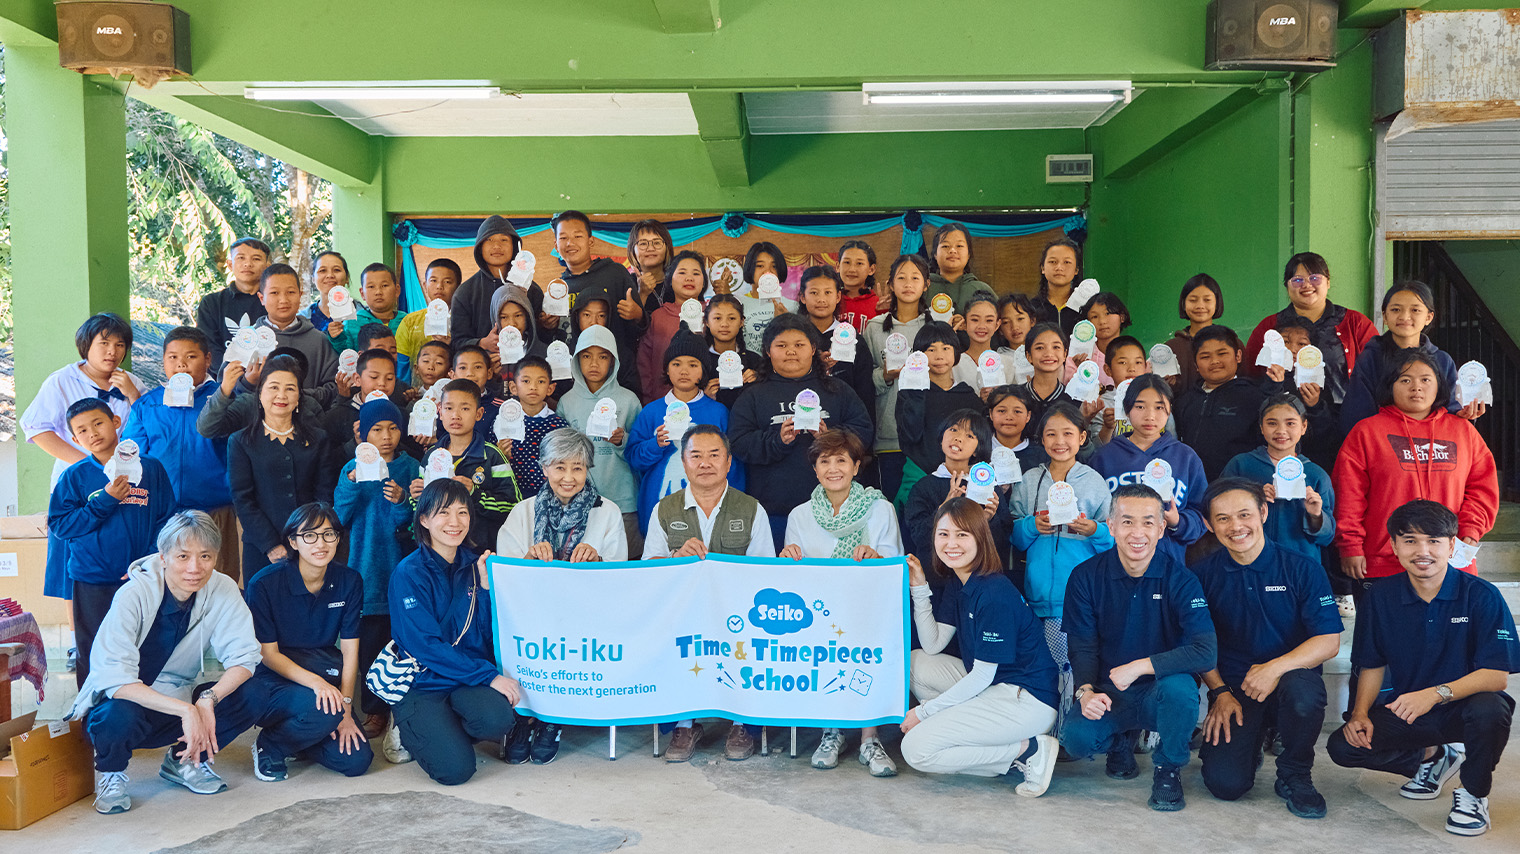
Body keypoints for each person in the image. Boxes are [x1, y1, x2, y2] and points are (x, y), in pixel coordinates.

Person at [1327, 500, 1519, 837]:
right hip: (1409, 711)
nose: (1422, 550)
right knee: (1343, 746)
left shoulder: (1481, 595)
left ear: (1451, 545)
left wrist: (1434, 695)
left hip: (1464, 709)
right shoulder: (1381, 597)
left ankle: (1473, 794)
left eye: (1433, 540)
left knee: (1491, 708)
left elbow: (1496, 674)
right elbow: (1372, 662)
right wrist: (1359, 714)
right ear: (1394, 546)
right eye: (1410, 540)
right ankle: (1433, 756)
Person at [72, 512, 264, 815]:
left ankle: (184, 760)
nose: (194, 568)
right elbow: (113, 678)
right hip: (124, 703)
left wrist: (207, 700)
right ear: (163, 557)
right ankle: (111, 774)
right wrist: (187, 710)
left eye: (205, 556)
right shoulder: (133, 594)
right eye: (183, 556)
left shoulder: (222, 588)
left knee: (254, 690)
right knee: (116, 715)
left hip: (177, 695)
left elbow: (245, 658)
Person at [1060, 484, 1218, 812]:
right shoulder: (1085, 577)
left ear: (1161, 528)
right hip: (1109, 691)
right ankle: (1120, 742)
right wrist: (1085, 691)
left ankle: (1167, 769)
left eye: (1148, 522)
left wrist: (1141, 666)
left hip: (1159, 691)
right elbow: (1082, 645)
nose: (1138, 532)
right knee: (1075, 738)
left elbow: (1205, 651)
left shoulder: (1181, 579)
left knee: (1180, 689)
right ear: (1111, 525)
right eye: (1127, 521)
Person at [1191, 478, 1341, 818]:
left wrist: (1274, 668)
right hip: (1236, 688)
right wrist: (1219, 692)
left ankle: (1295, 772)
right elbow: (1198, 642)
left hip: (1291, 679)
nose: (1235, 526)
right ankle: (1251, 743)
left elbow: (1329, 641)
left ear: (1263, 512)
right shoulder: (1201, 576)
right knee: (1225, 785)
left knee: (1304, 695)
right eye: (1223, 518)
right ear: (1210, 525)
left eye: (1244, 514)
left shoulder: (1302, 567)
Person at [899, 498, 1060, 795]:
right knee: (914, 663)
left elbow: (982, 676)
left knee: (916, 749)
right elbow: (933, 645)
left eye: (962, 535)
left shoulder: (993, 592)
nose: (951, 543)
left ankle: (1028, 750)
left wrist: (925, 712)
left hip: (1026, 700)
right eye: (944, 534)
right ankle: (994, 748)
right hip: (994, 688)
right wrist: (919, 588)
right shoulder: (959, 582)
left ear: (980, 538)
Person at [642, 425, 775, 762]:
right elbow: (646, 570)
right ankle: (685, 724)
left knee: (751, 639)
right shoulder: (665, 509)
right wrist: (674, 557)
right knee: (678, 638)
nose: (705, 463)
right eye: (696, 455)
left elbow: (767, 573)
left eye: (714, 455)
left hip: (739, 613)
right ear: (683, 463)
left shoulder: (750, 508)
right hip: (682, 612)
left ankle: (742, 721)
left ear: (728, 462)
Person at [497, 428, 627, 765]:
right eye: (559, 467)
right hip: (531, 616)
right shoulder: (523, 512)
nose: (568, 477)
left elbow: (622, 576)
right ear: (543, 468)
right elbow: (504, 576)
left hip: (587, 617)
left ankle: (552, 719)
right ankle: (525, 718)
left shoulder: (607, 511)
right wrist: (526, 560)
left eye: (578, 468)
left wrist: (597, 560)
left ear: (588, 470)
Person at [779, 428, 903, 777]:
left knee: (867, 663)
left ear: (856, 466)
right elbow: (793, 574)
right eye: (824, 461)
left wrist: (875, 557)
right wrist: (788, 557)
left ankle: (869, 738)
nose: (833, 468)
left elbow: (896, 566)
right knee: (825, 663)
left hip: (868, 608)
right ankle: (831, 731)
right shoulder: (800, 515)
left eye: (841, 460)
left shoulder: (881, 510)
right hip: (819, 613)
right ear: (815, 469)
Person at [388, 480, 521, 785]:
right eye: (444, 513)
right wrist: (489, 676)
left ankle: (442, 727)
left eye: (463, 512)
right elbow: (425, 646)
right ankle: (408, 724)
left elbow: (486, 636)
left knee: (499, 719)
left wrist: (485, 589)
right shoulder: (409, 573)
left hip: (462, 677)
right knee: (455, 771)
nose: (454, 522)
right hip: (422, 680)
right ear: (424, 519)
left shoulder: (476, 566)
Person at [1333, 349, 1498, 584]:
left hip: (1452, 561)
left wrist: (1470, 532)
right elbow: (1348, 494)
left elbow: (1483, 489)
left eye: (1425, 380)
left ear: (1440, 385)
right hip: (1384, 563)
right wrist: (1350, 545)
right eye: (1405, 380)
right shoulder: (1366, 432)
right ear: (1390, 385)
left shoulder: (1463, 432)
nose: (1416, 387)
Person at [50, 399, 175, 687]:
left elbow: (166, 519)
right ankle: (91, 721)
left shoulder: (151, 469)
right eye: (82, 430)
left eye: (98, 423)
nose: (92, 433)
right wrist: (105, 500)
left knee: (143, 647)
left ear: (116, 422)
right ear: (74, 439)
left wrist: (145, 563)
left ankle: (140, 718)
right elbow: (61, 525)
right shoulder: (75, 476)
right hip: (92, 581)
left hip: (141, 578)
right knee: (93, 649)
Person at [244, 504, 373, 781]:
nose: (321, 543)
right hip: (273, 679)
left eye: (329, 534)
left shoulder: (349, 581)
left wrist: (347, 708)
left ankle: (302, 736)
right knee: (326, 710)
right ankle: (272, 745)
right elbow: (268, 654)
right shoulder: (264, 584)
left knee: (356, 761)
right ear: (293, 541)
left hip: (323, 673)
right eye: (310, 536)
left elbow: (351, 650)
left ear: (338, 538)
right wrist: (319, 686)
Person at [1009, 402, 1113, 728]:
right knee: (1041, 665)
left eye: (1068, 433)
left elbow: (1111, 540)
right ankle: (1042, 727)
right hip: (1037, 592)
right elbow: (1013, 534)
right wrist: (1031, 526)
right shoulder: (1028, 480)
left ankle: (1064, 731)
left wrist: (1093, 530)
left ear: (1083, 437)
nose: (1059, 441)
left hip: (1076, 595)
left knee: (1067, 665)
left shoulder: (1095, 481)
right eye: (1051, 433)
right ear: (1041, 438)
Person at [730, 313, 874, 545]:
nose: (791, 351)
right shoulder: (753, 395)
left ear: (813, 348)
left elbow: (864, 432)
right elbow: (738, 442)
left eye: (799, 345)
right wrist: (777, 440)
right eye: (781, 345)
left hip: (834, 510)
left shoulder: (838, 390)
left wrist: (830, 439)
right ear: (768, 350)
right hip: (773, 511)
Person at [122, 326, 241, 582]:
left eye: (191, 356)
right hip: (162, 513)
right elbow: (132, 457)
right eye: (173, 357)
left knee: (219, 582)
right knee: (167, 585)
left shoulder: (227, 398)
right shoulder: (148, 404)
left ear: (208, 359)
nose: (181, 365)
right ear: (163, 361)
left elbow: (240, 451)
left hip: (216, 509)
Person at [333, 399, 420, 737]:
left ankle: (405, 706)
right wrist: (352, 482)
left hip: (401, 570)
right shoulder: (351, 468)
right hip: (365, 571)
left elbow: (416, 522)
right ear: (363, 434)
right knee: (368, 645)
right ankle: (373, 709)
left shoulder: (411, 467)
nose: (386, 437)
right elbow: (340, 516)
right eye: (377, 430)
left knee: (401, 641)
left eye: (393, 428)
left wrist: (401, 501)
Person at [226, 355, 339, 575]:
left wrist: (310, 538)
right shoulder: (241, 442)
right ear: (260, 394)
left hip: (311, 546)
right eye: (273, 387)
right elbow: (242, 499)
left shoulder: (318, 439)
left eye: (290, 389)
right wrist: (270, 544)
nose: (281, 395)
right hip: (261, 548)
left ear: (299, 397)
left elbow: (324, 495)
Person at [1088, 375, 1209, 566]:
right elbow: (1091, 515)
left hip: (1168, 567)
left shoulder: (1186, 457)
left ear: (1169, 410)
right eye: (1140, 406)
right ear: (1127, 410)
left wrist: (1178, 522)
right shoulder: (1104, 457)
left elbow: (1202, 515)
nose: (1150, 415)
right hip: (1114, 566)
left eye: (1159, 407)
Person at [628, 333, 740, 535]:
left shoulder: (718, 412)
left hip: (711, 509)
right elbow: (634, 459)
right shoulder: (651, 412)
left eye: (693, 364)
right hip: (659, 506)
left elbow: (733, 463)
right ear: (667, 370)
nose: (684, 371)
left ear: (703, 371)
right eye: (676, 364)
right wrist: (655, 444)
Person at [1340, 280, 1481, 434]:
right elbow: (1356, 415)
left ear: (1429, 317)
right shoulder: (1371, 358)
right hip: (1382, 447)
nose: (1404, 316)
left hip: (1431, 448)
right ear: (1385, 316)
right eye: (1395, 309)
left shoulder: (1442, 361)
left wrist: (1462, 415)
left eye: (1415, 310)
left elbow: (1451, 410)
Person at [1243, 252, 1377, 408]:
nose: (1306, 285)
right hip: (1283, 421)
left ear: (1328, 282)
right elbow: (1250, 374)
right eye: (1297, 280)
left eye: (1315, 278)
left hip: (1344, 417)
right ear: (1287, 286)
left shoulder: (1355, 323)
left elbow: (1376, 372)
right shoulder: (1269, 326)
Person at [1219, 395, 1336, 568]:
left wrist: (1316, 515)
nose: (1281, 430)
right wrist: (1251, 498)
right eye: (1272, 423)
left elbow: (1327, 536)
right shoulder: (1241, 465)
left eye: (1290, 423)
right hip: (1246, 561)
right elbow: (1217, 508)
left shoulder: (1315, 474)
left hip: (1299, 566)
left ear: (1304, 427)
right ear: (1261, 428)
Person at [559, 325, 644, 555]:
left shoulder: (628, 400)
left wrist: (621, 440)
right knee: (584, 563)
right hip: (577, 502)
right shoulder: (567, 402)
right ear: (576, 360)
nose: (594, 363)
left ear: (614, 361)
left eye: (603, 356)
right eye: (586, 356)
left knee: (623, 564)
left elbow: (640, 450)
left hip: (623, 499)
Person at [902, 410, 1010, 568]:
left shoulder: (987, 486)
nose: (959, 438)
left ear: (977, 449)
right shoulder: (923, 486)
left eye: (970, 436)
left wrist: (987, 521)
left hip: (977, 575)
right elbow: (917, 537)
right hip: (936, 576)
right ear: (941, 438)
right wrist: (943, 509)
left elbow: (1003, 541)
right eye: (953, 429)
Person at [863, 254, 931, 502]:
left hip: (928, 433)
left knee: (923, 506)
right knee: (890, 507)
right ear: (890, 284)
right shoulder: (874, 327)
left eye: (915, 278)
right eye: (901, 278)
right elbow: (863, 381)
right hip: (889, 433)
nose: (908, 284)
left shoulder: (935, 325)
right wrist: (884, 375)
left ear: (926, 284)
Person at [896, 321, 984, 504]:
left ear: (956, 353)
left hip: (961, 481)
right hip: (918, 477)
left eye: (946, 348)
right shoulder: (909, 393)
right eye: (931, 349)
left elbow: (980, 444)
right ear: (919, 355)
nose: (939, 356)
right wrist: (916, 393)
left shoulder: (968, 397)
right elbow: (909, 437)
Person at [428, 379, 520, 549]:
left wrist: (474, 493)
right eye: (449, 408)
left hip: (480, 549)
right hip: (438, 548)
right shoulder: (432, 455)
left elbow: (513, 505)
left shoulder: (491, 455)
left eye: (465, 408)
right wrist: (416, 497)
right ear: (440, 412)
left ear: (479, 414)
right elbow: (423, 509)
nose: (455, 415)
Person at [1174, 325, 1265, 481]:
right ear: (1195, 365)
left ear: (1238, 356)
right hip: (1193, 489)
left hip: (1240, 487)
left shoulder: (1255, 397)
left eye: (1222, 353)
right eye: (1205, 356)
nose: (1214, 361)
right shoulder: (1184, 401)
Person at [798, 264, 876, 417]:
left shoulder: (853, 339)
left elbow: (865, 391)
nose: (821, 299)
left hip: (844, 423)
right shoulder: (794, 338)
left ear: (838, 296)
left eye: (828, 292)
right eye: (814, 292)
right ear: (802, 297)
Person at [636, 250, 709, 404]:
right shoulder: (658, 317)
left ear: (704, 282)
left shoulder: (712, 315)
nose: (689, 278)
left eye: (696, 273)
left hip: (705, 402)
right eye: (682, 272)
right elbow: (645, 365)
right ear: (670, 279)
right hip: (663, 403)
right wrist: (649, 401)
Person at [254, 263, 340, 385]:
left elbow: (334, 385)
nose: (283, 300)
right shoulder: (248, 339)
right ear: (261, 298)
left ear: (300, 295)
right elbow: (230, 386)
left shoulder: (318, 340)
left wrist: (305, 397)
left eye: (290, 292)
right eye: (274, 293)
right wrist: (247, 382)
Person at [452, 215, 526, 348]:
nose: (497, 246)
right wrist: (481, 344)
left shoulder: (529, 287)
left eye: (504, 240)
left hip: (524, 365)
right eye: (489, 240)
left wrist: (548, 324)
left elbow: (541, 336)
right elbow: (457, 342)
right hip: (480, 366)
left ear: (515, 246)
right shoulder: (465, 292)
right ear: (480, 246)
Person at [195, 236, 270, 365]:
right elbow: (209, 347)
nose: (248, 264)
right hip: (223, 379)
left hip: (267, 377)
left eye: (256, 259)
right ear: (230, 264)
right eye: (241, 258)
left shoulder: (274, 302)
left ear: (267, 266)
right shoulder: (211, 303)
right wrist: (230, 376)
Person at [502, 356, 570, 495]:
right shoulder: (501, 423)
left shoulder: (559, 425)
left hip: (549, 498)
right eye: (526, 381)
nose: (533, 387)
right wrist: (501, 455)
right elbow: (492, 461)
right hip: (510, 497)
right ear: (513, 387)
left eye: (541, 381)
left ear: (550, 388)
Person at [396, 258, 461, 375]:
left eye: (447, 282)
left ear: (458, 287)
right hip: (415, 390)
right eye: (433, 280)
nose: (439, 286)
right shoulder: (410, 321)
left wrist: (453, 345)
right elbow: (402, 362)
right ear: (425, 285)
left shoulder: (464, 320)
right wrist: (405, 390)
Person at [733, 241, 797, 352]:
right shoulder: (737, 303)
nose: (768, 271)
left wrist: (784, 321)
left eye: (774, 266)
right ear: (750, 268)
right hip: (747, 366)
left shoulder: (792, 306)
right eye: (760, 266)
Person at [1163, 274, 1222, 392]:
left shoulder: (1230, 343)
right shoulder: (1170, 348)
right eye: (1193, 300)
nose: (1200, 306)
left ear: (1217, 303)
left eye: (1207, 300)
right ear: (1184, 304)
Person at [702, 294, 764, 408]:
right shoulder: (699, 362)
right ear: (706, 322)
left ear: (741, 322)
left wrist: (759, 380)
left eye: (732, 318)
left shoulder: (754, 361)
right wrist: (703, 397)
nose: (724, 324)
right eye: (717, 318)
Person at [925, 223, 994, 317]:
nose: (952, 250)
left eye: (959, 246)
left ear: (969, 254)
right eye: (945, 246)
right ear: (935, 254)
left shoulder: (981, 289)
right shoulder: (923, 288)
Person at [1067, 291, 1131, 387]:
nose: (1102, 321)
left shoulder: (1133, 353)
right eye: (1095, 316)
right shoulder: (1079, 355)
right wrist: (1082, 371)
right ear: (1087, 322)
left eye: (1108, 313)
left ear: (1122, 317)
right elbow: (1070, 390)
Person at [986, 384, 1049, 473]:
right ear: (991, 414)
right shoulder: (978, 450)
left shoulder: (1041, 456)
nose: (1009, 417)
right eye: (1001, 411)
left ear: (1028, 416)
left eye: (1017, 411)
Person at [1032, 237, 1083, 336]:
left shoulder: (1085, 307)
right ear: (1043, 268)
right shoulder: (1031, 308)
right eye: (1053, 262)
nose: (1059, 267)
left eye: (1067, 262)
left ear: (1076, 270)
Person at [626, 219, 674, 309]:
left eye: (657, 243)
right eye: (643, 243)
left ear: (667, 247)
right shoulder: (626, 284)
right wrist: (642, 294)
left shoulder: (677, 280)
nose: (650, 248)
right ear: (632, 250)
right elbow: (625, 322)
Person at [836, 239, 880, 331]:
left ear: (871, 269)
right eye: (847, 262)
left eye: (859, 263)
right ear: (838, 267)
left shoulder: (879, 304)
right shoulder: (830, 301)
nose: (852, 269)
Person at [307, 250, 350, 340]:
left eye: (336, 270)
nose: (330, 275)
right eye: (322, 271)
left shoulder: (362, 315)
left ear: (347, 277)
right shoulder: (304, 319)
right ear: (313, 279)